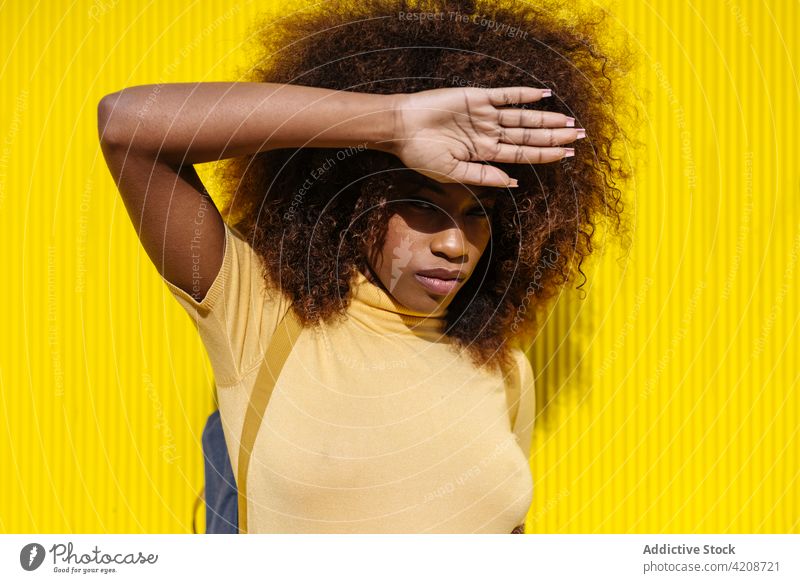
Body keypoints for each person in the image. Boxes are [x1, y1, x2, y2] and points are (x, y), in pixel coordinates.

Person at [97, 0, 632, 533]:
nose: (454, 243)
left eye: (479, 212)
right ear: (356, 201)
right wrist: (393, 122)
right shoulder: (257, 312)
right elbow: (128, 127)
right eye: (422, 203)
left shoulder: (505, 368)